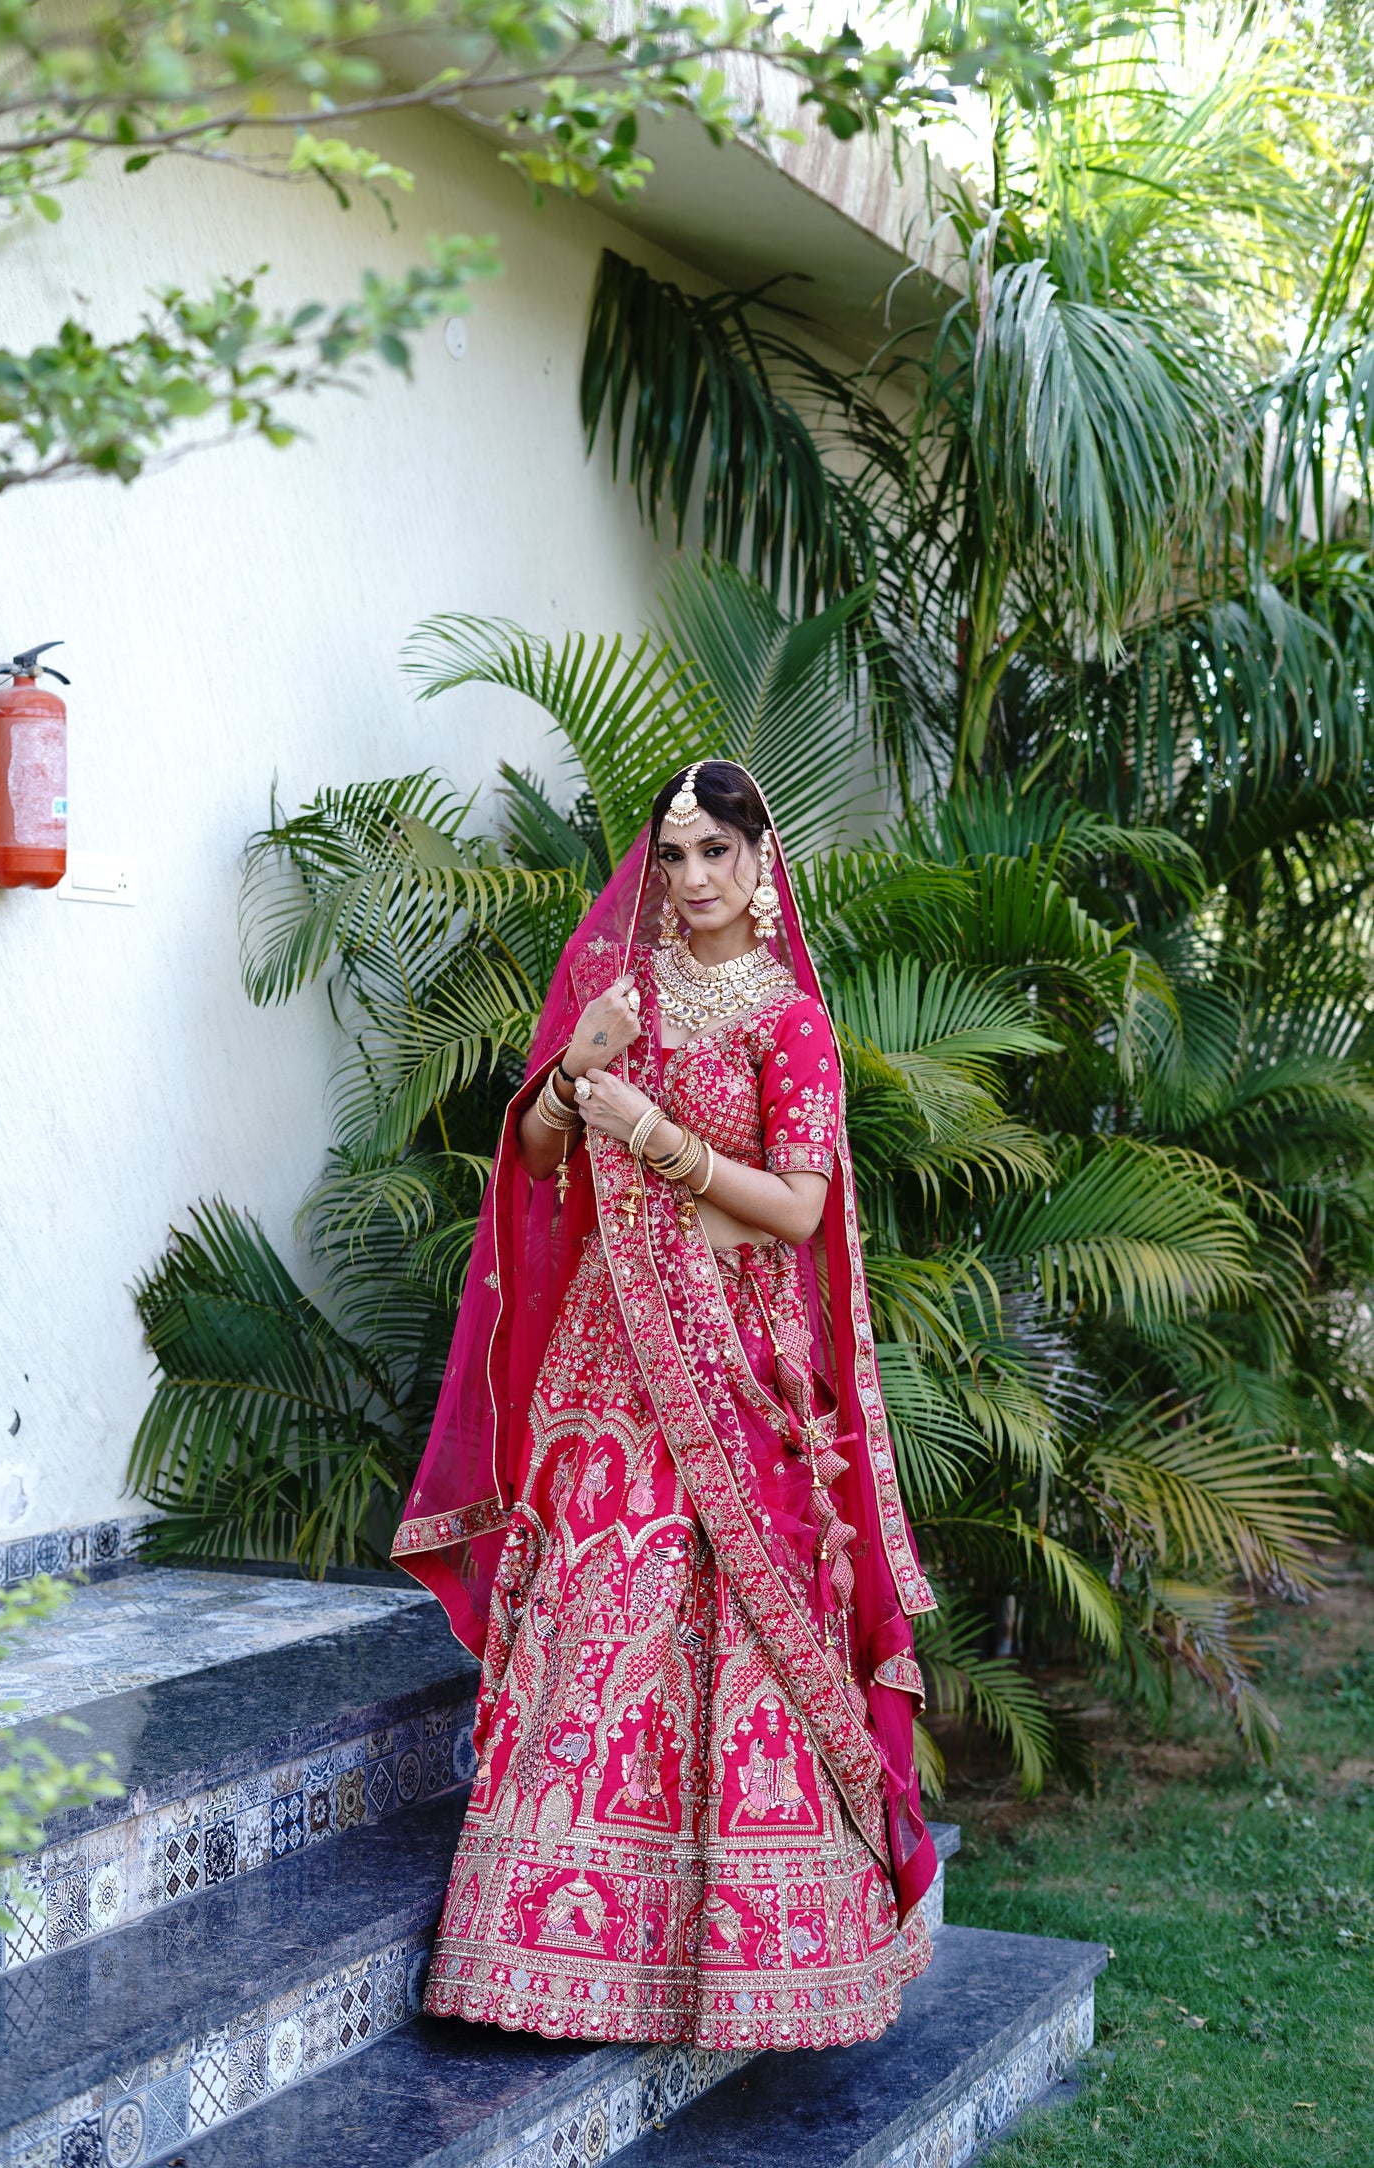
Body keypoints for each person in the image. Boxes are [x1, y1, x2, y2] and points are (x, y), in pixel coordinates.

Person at [392, 760, 938, 2052]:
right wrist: (573, 1077)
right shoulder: (617, 995)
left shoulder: (789, 1026)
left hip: (737, 1358)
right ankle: (542, 1938)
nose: (690, 880)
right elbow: (535, 1162)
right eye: (674, 856)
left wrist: (660, 1140)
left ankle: (745, 1946)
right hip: (605, 1361)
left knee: (727, 1627)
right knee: (593, 1612)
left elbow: (800, 1210)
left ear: (760, 866)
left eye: (715, 855)